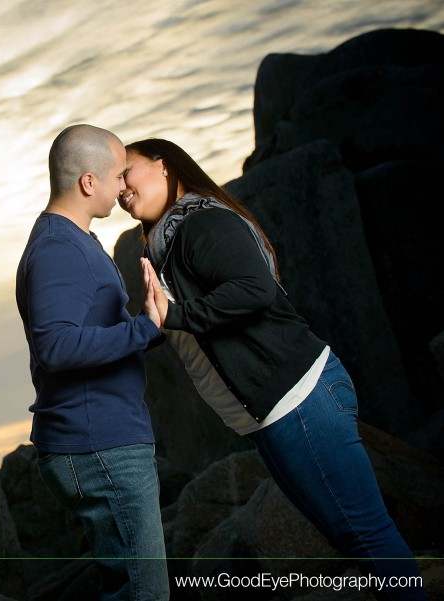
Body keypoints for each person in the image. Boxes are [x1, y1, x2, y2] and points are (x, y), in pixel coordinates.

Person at [120, 137, 426, 600]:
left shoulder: (201, 223)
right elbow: (184, 325)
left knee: (365, 536)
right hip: (274, 413)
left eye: (127, 171)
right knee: (351, 540)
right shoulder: (169, 244)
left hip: (298, 398)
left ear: (163, 166)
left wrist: (176, 315)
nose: (120, 187)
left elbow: (253, 290)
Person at [16, 124, 170, 601]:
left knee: (132, 590)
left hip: (104, 440)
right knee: (145, 595)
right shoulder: (58, 248)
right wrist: (144, 327)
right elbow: (57, 348)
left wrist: (158, 322)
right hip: (100, 445)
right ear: (88, 182)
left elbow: (96, 333)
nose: (124, 186)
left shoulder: (73, 241)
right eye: (118, 175)